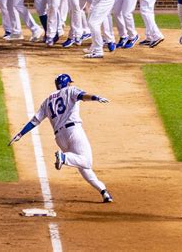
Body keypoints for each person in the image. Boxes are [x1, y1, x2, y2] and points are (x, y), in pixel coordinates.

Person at [8, 73, 113, 203]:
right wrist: (96, 98)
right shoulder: (71, 90)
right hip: (73, 131)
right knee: (86, 161)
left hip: (59, 138)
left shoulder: (47, 101)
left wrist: (20, 134)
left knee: (83, 166)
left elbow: (35, 121)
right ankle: (64, 158)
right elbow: (83, 96)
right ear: (68, 83)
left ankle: (104, 192)